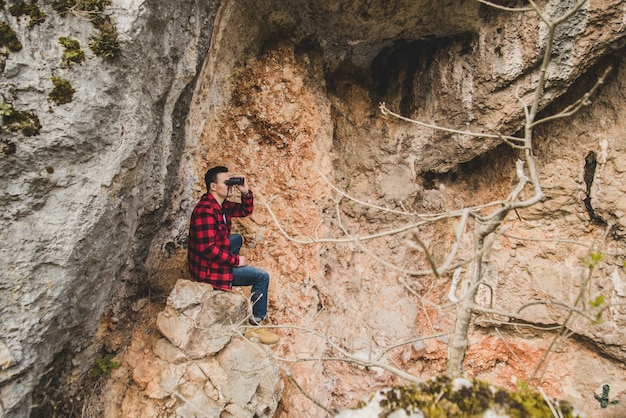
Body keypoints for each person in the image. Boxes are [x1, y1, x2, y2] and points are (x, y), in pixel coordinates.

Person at [188, 166, 279, 345]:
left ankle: (227, 271)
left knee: (236, 238)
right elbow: (208, 249)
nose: (229, 186)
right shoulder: (205, 210)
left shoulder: (220, 206)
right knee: (261, 277)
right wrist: (235, 261)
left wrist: (245, 192)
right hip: (207, 271)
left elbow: (245, 211)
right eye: (226, 183)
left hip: (211, 260)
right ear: (213, 186)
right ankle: (256, 323)